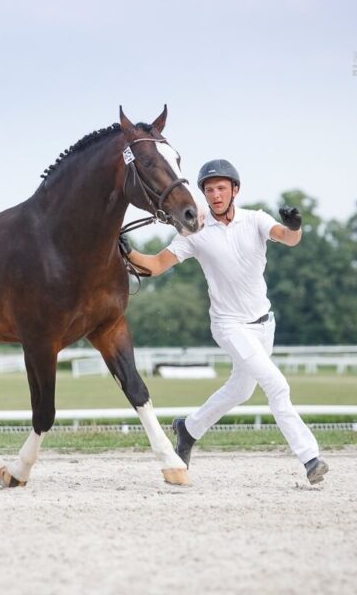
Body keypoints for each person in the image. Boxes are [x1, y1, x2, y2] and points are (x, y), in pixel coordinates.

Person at [120, 159, 329, 485]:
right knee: (276, 385)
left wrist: (295, 226)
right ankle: (310, 457)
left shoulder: (256, 219)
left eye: (221, 188)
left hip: (263, 324)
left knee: (240, 391)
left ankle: (187, 429)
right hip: (229, 325)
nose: (215, 194)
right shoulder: (196, 233)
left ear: (235, 190)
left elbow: (288, 239)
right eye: (209, 189)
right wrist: (129, 254)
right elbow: (156, 265)